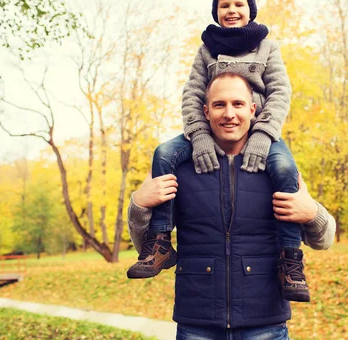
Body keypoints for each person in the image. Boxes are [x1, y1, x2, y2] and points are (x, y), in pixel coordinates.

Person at [127, 0, 309, 301]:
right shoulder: (207, 48)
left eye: (239, 4)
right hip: (208, 134)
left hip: (261, 132)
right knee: (164, 153)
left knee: (284, 168)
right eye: (225, 6)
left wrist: (263, 135)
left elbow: (281, 92)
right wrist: (198, 136)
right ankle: (159, 243)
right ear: (216, 13)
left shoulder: (267, 46)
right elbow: (192, 94)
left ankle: (290, 259)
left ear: (250, 11)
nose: (232, 10)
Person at [127, 73, 336, 339]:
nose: (229, 114)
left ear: (252, 110)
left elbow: (325, 240)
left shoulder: (277, 167)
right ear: (205, 111)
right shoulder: (180, 167)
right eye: (219, 105)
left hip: (265, 324)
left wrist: (313, 213)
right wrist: (139, 204)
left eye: (237, 104)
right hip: (197, 324)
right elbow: (146, 247)